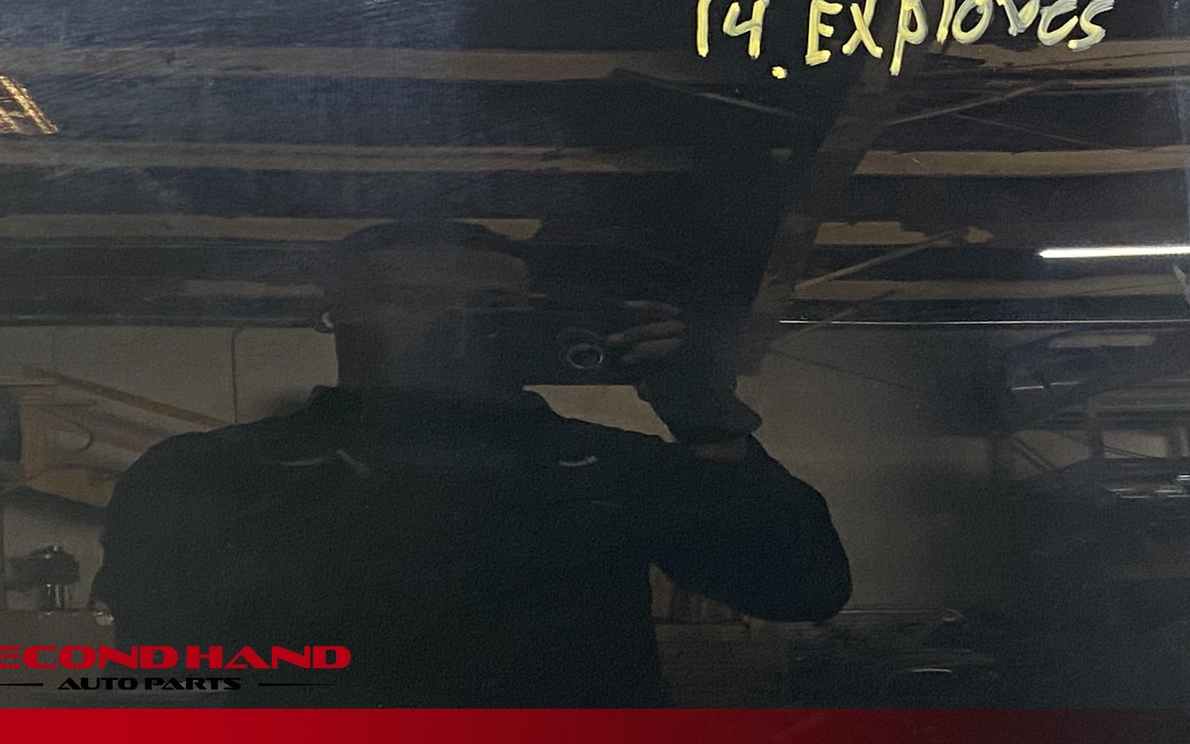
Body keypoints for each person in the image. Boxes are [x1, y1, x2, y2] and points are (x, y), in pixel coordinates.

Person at [92, 221, 851, 706]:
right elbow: (167, 650)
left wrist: (707, 420)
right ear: (333, 314)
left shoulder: (605, 464)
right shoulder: (215, 471)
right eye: (415, 300)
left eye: (490, 308)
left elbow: (801, 589)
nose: (454, 326)